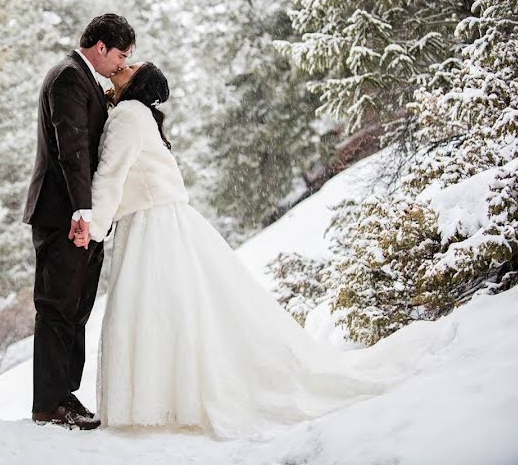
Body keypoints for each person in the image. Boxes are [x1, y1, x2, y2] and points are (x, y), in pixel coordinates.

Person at [72, 62, 439, 438]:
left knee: (152, 308)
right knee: (173, 309)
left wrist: (92, 226)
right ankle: (169, 398)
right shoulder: (136, 114)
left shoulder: (129, 117)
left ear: (136, 85)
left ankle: (159, 400)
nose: (123, 64)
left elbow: (110, 176)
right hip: (161, 220)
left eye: (131, 66)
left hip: (151, 225)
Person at [22, 14, 135, 430]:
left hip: (79, 215)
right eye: (120, 55)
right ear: (100, 47)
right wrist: (82, 212)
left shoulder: (83, 79)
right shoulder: (68, 77)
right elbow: (72, 149)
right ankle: (48, 405)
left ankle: (65, 395)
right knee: (56, 307)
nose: (121, 65)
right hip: (63, 215)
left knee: (77, 308)